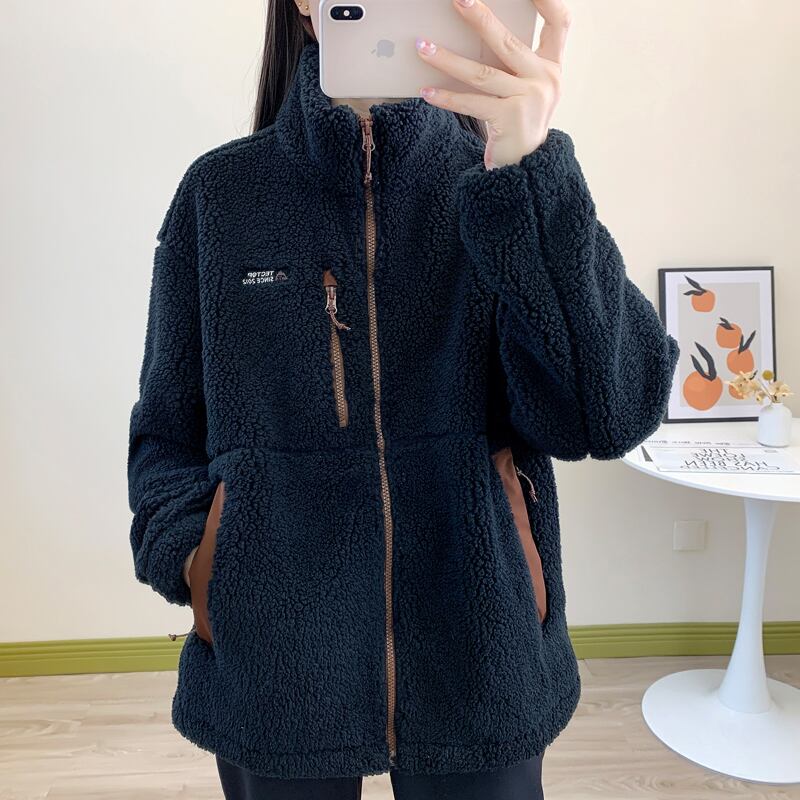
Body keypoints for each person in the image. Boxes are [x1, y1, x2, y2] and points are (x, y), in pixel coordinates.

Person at [127, 0, 680, 797]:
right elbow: (165, 430)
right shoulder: (221, 196)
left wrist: (530, 175)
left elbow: (609, 412)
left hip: (481, 653)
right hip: (273, 670)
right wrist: (203, 562)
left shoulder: (499, 186)